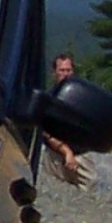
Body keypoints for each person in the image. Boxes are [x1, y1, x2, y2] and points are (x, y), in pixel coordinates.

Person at [43, 49, 96, 188]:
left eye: (68, 70)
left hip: (81, 155)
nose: (65, 74)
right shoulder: (49, 100)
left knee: (91, 190)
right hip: (56, 156)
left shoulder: (83, 98)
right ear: (54, 72)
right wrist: (67, 152)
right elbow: (47, 133)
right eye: (61, 70)